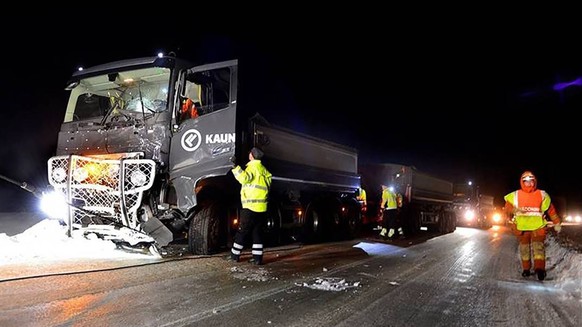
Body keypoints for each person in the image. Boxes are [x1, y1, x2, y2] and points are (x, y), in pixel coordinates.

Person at [504, 171, 562, 280]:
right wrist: (513, 209)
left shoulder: (542, 195)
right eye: (526, 181)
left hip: (538, 227)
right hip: (522, 228)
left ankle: (540, 269)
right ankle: (526, 269)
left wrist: (557, 222)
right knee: (524, 249)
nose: (529, 184)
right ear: (522, 182)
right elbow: (506, 208)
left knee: (538, 249)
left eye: (531, 181)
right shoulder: (515, 195)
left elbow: (551, 209)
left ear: (534, 182)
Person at [228, 147, 272, 265]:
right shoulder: (264, 170)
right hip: (262, 207)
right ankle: (257, 259)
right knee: (257, 233)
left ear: (252, 156)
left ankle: (234, 255)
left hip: (250, 206)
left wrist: (235, 168)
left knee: (242, 231)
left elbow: (244, 179)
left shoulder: (253, 167)